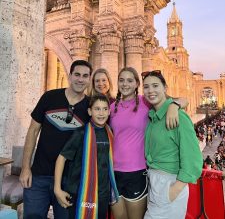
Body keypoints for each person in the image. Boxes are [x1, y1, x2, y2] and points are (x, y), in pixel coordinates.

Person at [110, 67, 186, 219]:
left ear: (137, 83)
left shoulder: (146, 102)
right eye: (121, 80)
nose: (125, 84)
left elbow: (182, 100)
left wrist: (174, 106)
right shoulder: (112, 107)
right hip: (113, 173)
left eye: (130, 80)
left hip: (137, 172)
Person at [19, 60, 92, 219]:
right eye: (77, 74)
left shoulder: (89, 108)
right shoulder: (49, 97)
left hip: (69, 180)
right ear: (70, 76)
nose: (80, 79)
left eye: (85, 76)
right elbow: (33, 131)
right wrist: (25, 167)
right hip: (39, 175)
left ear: (89, 79)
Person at [143, 70, 203, 219]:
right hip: (154, 182)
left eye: (155, 85)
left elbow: (193, 157)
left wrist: (175, 189)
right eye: (146, 87)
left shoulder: (179, 117)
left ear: (165, 88)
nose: (150, 90)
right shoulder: (154, 116)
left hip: (169, 183)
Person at [54, 94, 119, 219]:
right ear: (90, 111)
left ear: (109, 111)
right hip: (81, 191)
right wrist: (57, 188)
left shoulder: (110, 132)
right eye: (97, 109)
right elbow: (61, 158)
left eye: (105, 109)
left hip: (103, 194)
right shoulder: (81, 133)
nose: (101, 113)